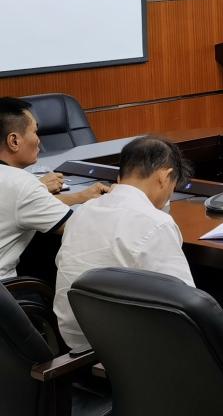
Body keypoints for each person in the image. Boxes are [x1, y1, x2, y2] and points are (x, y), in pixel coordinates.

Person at [53, 136, 194, 352]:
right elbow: (187, 306)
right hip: (128, 350)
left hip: (75, 342)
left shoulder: (83, 212)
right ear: (165, 176)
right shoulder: (155, 223)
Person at [0, 97, 108, 280]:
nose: (39, 140)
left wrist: (80, 196)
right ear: (14, 141)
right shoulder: (21, 184)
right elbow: (80, 228)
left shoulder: (15, 185)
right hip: (7, 290)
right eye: (35, 132)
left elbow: (17, 207)